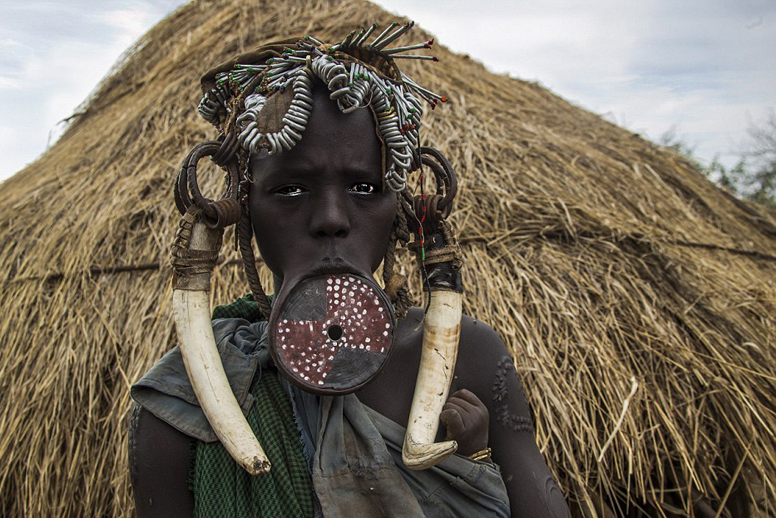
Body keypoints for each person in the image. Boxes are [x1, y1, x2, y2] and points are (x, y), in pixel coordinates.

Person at [129, 24, 571, 518]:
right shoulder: (183, 402)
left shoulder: (469, 357)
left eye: (364, 188)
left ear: (402, 208)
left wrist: (476, 461)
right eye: (291, 190)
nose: (332, 219)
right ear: (243, 209)